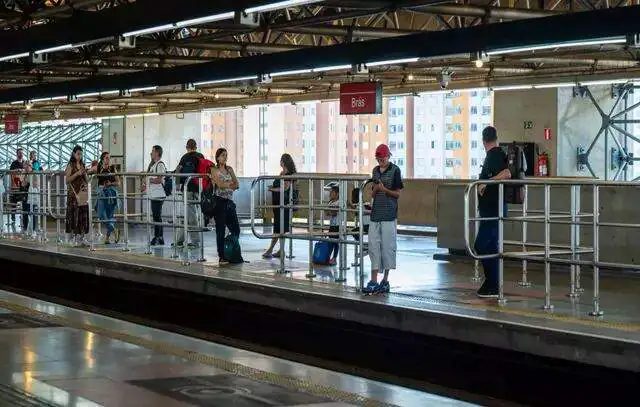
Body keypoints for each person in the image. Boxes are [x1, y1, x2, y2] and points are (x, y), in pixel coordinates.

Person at [474, 126, 511, 298]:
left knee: (480, 245)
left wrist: (486, 182)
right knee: (489, 246)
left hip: (494, 210)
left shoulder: (495, 154)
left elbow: (507, 173)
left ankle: (493, 284)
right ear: (496, 137)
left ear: (483, 141)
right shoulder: (495, 154)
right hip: (493, 209)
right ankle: (492, 284)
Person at [362, 144, 404, 295]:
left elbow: (398, 194)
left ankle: (385, 280)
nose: (380, 161)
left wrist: (384, 189)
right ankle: (373, 280)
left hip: (389, 215)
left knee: (387, 247)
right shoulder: (375, 171)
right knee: (373, 247)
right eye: (378, 159)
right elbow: (373, 193)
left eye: (383, 158)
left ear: (388, 156)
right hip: (376, 214)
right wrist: (374, 191)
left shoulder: (395, 170)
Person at [262, 153, 297, 259]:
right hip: (277, 203)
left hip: (284, 203)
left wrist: (271, 189)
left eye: (281, 160)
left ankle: (271, 249)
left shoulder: (289, 175)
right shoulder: (282, 173)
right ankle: (281, 250)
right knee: (279, 227)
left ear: (284, 162)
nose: (280, 162)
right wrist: (273, 187)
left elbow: (285, 189)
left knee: (279, 227)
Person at [210, 148, 241, 265]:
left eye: (226, 155)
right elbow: (219, 184)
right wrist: (230, 185)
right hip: (219, 202)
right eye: (223, 155)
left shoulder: (229, 169)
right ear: (217, 157)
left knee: (236, 229)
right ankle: (222, 256)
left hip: (229, 202)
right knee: (220, 230)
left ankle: (231, 250)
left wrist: (229, 185)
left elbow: (237, 184)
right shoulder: (214, 170)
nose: (225, 157)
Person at [175, 139, 204, 248]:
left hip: (187, 189)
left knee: (190, 216)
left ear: (187, 147)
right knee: (189, 215)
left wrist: (178, 184)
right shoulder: (200, 156)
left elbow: (178, 170)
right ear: (196, 147)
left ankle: (195, 242)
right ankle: (179, 240)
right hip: (199, 188)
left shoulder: (185, 157)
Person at [65, 146, 96, 246]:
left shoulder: (82, 165)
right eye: (78, 154)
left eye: (81, 154)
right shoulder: (70, 165)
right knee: (74, 215)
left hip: (83, 193)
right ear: (74, 154)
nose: (80, 156)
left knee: (84, 215)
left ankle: (82, 237)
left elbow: (86, 179)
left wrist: (86, 173)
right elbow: (67, 180)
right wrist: (77, 173)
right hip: (73, 194)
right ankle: (73, 237)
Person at [95, 152, 120, 244]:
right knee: (101, 214)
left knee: (110, 215)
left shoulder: (113, 168)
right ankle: (114, 230)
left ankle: (107, 238)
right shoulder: (99, 168)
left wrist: (111, 184)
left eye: (109, 158)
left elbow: (118, 182)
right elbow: (92, 171)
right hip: (101, 192)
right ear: (102, 159)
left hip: (111, 192)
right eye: (106, 158)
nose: (108, 160)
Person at [145, 145, 167, 246]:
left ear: (157, 153)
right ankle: (160, 237)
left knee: (157, 216)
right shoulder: (154, 165)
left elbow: (159, 179)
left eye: (153, 151)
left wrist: (149, 180)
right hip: (154, 194)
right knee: (156, 216)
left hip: (158, 194)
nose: (151, 153)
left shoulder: (160, 164)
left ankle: (157, 237)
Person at [9, 148, 26, 226]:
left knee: (23, 201)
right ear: (17, 154)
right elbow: (11, 173)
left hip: (22, 185)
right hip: (15, 185)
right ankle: (13, 218)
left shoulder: (25, 163)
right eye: (19, 153)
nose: (21, 154)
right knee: (14, 202)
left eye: (22, 153)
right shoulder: (14, 163)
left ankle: (22, 216)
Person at [22, 162, 40, 236]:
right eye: (25, 168)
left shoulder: (35, 173)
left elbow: (36, 184)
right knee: (25, 213)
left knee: (33, 213)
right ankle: (25, 229)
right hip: (26, 195)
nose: (25, 169)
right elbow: (23, 184)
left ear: (30, 166)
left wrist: (28, 182)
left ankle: (33, 230)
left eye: (26, 168)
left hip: (33, 195)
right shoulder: (26, 174)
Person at [326, 186, 340, 266]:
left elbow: (334, 213)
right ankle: (329, 257)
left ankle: (334, 258)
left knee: (335, 242)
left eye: (332, 192)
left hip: (337, 225)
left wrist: (330, 212)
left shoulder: (338, 202)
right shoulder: (330, 202)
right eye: (330, 192)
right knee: (331, 241)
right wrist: (330, 212)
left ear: (337, 194)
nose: (330, 194)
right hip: (332, 225)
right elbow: (327, 212)